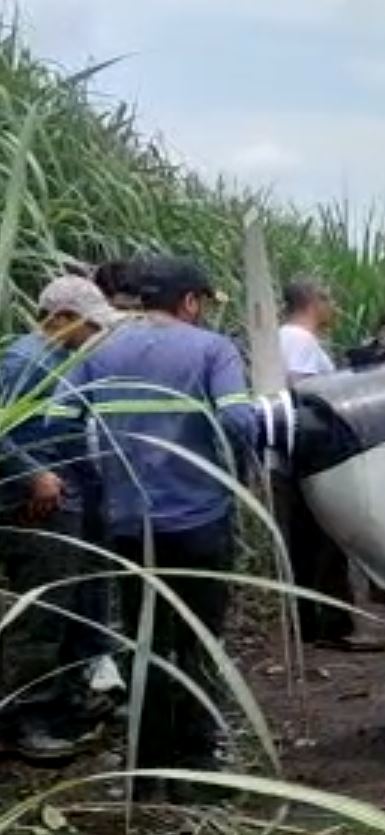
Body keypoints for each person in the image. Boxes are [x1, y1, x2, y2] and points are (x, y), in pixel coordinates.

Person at [50, 257, 259, 775]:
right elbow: (236, 418)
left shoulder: (100, 349)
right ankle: (195, 763)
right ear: (189, 301)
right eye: (202, 303)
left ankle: (144, 763)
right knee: (198, 639)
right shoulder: (213, 349)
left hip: (126, 523)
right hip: (199, 520)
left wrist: (99, 487)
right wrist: (230, 471)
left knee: (142, 638)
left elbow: (58, 422)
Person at [0, 276, 123, 761]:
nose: (96, 335)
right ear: (62, 318)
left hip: (67, 499)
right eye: (90, 326)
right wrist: (33, 477)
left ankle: (64, 701)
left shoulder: (62, 361)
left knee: (71, 603)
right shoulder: (25, 360)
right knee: (42, 612)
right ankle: (22, 720)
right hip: (34, 505)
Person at [275, 278, 383, 652]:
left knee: (306, 544)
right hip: (309, 456)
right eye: (329, 299)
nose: (333, 307)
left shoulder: (286, 338)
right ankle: (333, 626)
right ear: (314, 302)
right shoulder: (299, 341)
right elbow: (307, 395)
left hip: (295, 455)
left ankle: (312, 625)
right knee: (323, 543)